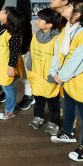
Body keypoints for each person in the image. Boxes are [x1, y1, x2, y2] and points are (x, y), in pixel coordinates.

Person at [48, 0, 83, 162]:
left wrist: (60, 76)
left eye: (69, 6)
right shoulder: (67, 29)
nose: (64, 8)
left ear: (77, 15)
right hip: (67, 80)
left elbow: (77, 63)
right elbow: (58, 53)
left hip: (79, 81)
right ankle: (68, 132)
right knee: (69, 105)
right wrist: (54, 71)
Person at [26, 8, 62, 136]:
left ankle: (54, 122)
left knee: (53, 102)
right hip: (37, 74)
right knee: (38, 99)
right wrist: (29, 63)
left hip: (49, 76)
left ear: (49, 24)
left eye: (41, 19)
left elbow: (58, 58)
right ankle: (38, 117)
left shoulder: (57, 38)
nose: (38, 21)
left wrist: (54, 75)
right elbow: (33, 49)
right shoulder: (37, 34)